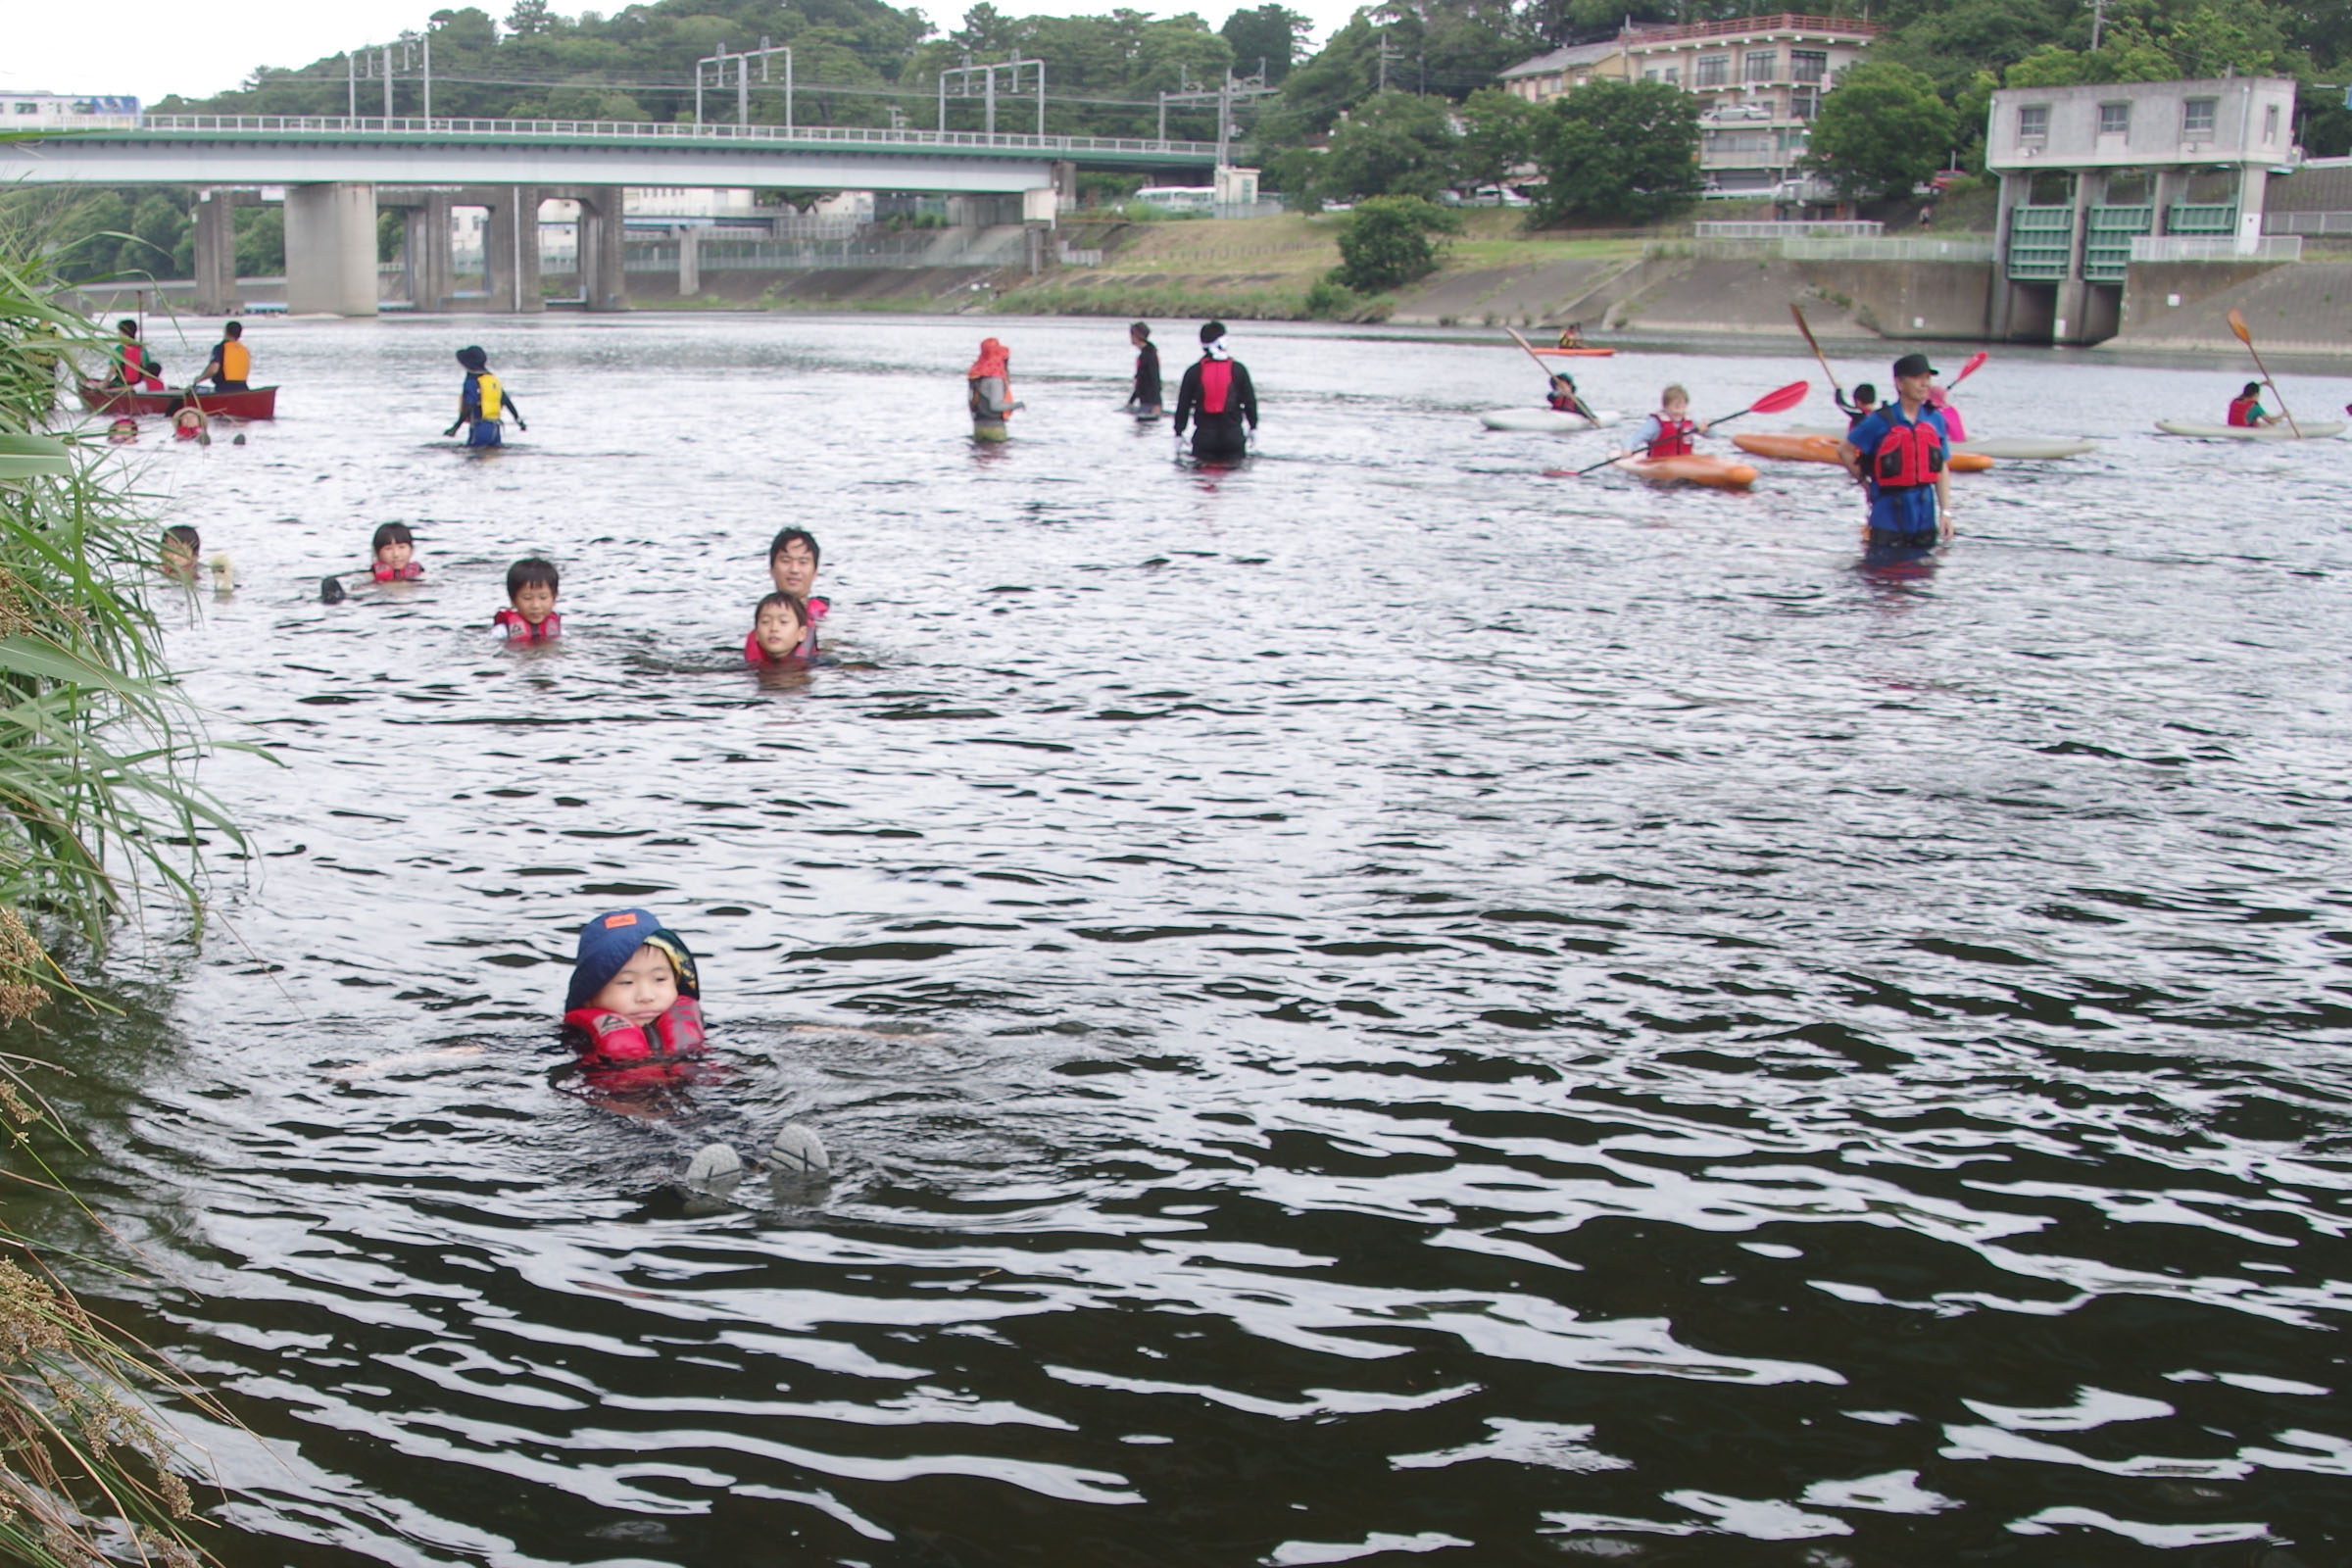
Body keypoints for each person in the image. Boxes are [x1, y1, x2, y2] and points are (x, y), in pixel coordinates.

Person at [559, 906, 830, 1181]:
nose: (646, 995)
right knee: (656, 1142)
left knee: (728, 1119)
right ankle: (688, 1184)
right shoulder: (575, 1036)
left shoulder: (691, 1022)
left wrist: (804, 1031)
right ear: (590, 996)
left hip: (694, 1093)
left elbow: (749, 1031)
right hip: (630, 1107)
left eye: (660, 979)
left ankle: (769, 1163)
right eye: (626, 982)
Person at [1838, 352, 1952, 555]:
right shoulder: (1879, 420)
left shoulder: (1935, 419)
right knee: (1883, 578)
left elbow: (1941, 466)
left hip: (1924, 515)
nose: (1925, 384)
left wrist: (1946, 511)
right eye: (1917, 378)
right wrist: (1866, 485)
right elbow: (1844, 450)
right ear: (1900, 383)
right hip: (1889, 515)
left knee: (1923, 577)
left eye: (1927, 378)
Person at [1173, 320, 1258, 463]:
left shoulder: (1193, 371)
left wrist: (1178, 432)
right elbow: (1250, 402)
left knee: (1202, 478)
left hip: (1204, 438)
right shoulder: (1239, 370)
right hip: (1233, 437)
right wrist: (1253, 426)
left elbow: (1183, 405)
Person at [448, 346, 525, 448]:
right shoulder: (493, 380)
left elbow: (469, 405)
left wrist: (455, 427)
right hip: (496, 429)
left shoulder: (471, 382)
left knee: (474, 458)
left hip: (479, 428)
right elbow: (507, 402)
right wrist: (519, 421)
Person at [766, 527, 829, 647]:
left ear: (815, 572)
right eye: (786, 560)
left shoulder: (827, 620)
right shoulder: (763, 620)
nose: (794, 570)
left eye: (803, 562)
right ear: (772, 569)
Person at [1624, 384, 1709, 458]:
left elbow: (1714, 435)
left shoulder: (1692, 420)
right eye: (1676, 404)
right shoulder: (1655, 423)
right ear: (1666, 406)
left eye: (1682, 404)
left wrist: (1706, 429)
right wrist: (1628, 448)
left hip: (1685, 460)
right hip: (1660, 461)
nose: (1680, 406)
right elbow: (1635, 438)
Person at [493, 557, 562, 643]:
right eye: (527, 598)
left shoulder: (560, 631)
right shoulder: (502, 632)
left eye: (543, 597)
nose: (535, 605)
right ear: (513, 600)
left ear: (554, 598)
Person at [745, 591, 812, 667]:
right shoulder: (749, 666)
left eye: (783, 621)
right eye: (765, 621)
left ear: (801, 634)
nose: (774, 628)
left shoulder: (815, 664)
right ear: (756, 634)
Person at [968, 338, 1015, 439]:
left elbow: (970, 402)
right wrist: (1017, 405)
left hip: (978, 426)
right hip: (995, 427)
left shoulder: (975, 375)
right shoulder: (996, 379)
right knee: (997, 453)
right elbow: (996, 406)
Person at [109, 320, 163, 392]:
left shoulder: (120, 349)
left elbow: (112, 370)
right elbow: (147, 370)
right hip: (138, 385)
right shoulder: (143, 350)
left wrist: (103, 384)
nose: (118, 334)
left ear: (124, 333)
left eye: (119, 332)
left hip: (120, 384)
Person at [197, 321, 250, 392]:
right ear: (240, 334)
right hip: (243, 388)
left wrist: (200, 378)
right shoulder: (244, 350)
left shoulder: (220, 348)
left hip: (224, 388)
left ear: (226, 332)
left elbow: (213, 369)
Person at [1124, 321, 1162, 417]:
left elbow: (1155, 379)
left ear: (1137, 336)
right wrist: (1130, 402)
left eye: (1132, 334)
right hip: (1144, 401)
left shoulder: (1149, 355)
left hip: (1150, 403)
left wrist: (1157, 404)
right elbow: (1140, 382)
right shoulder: (1144, 355)